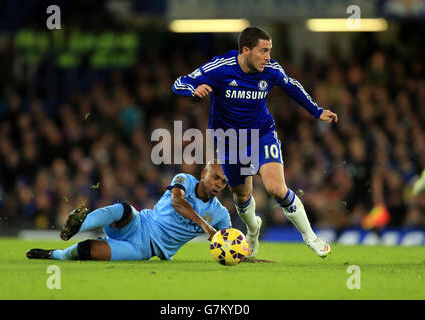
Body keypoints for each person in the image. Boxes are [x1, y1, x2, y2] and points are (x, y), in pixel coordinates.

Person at [172, 26, 338, 258]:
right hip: (230, 141)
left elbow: (292, 87)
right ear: (246, 50)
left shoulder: (270, 70)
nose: (268, 57)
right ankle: (252, 230)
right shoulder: (221, 67)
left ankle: (311, 237)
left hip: (262, 134)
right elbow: (180, 82)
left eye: (269, 50)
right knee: (241, 196)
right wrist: (194, 89)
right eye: (263, 51)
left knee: (276, 189)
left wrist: (316, 111)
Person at [26, 161, 231, 261]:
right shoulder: (184, 179)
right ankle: (80, 224)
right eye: (216, 177)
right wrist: (205, 225)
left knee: (88, 250)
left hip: (144, 250)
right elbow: (177, 201)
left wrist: (242, 255)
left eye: (224, 181)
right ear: (204, 173)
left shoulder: (220, 214)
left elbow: (230, 241)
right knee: (124, 209)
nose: (219, 184)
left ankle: (56, 255)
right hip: (141, 223)